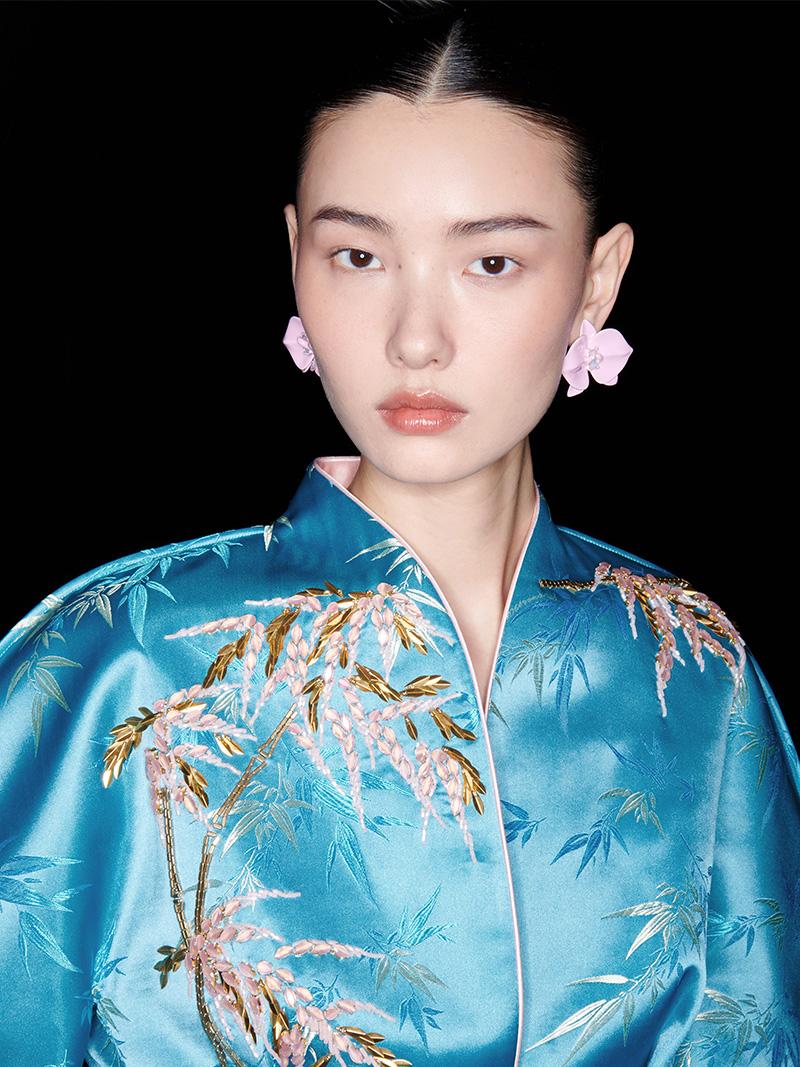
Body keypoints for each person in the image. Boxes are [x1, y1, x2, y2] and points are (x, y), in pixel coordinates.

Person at [1, 4, 797, 1066]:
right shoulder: (120, 663)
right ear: (295, 255)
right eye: (358, 255)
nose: (415, 339)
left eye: (491, 263)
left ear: (597, 279)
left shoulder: (692, 669)